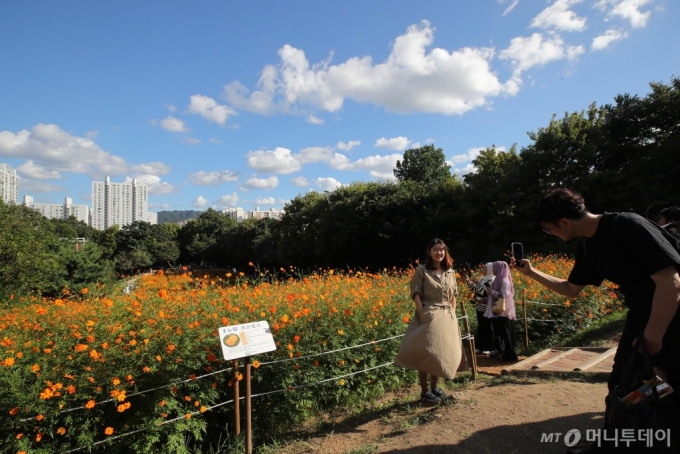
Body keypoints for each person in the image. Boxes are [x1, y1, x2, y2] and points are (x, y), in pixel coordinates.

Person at [513, 188, 680, 454]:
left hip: (673, 313)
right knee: (622, 385)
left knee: (669, 387)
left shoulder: (627, 225)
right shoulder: (589, 245)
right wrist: (531, 272)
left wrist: (653, 337)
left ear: (564, 223)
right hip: (641, 316)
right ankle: (610, 446)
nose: (551, 234)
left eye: (549, 229)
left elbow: (670, 282)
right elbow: (571, 289)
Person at [395, 238, 467, 404]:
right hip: (429, 314)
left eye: (442, 250)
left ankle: (434, 387)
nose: (439, 253)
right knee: (425, 352)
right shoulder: (422, 271)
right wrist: (423, 314)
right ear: (429, 252)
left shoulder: (450, 271)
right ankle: (424, 391)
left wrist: (453, 314)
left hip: (446, 316)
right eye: (435, 250)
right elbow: (416, 294)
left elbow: (453, 295)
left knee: (438, 353)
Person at [484, 261, 518, 361]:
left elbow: (503, 294)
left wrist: (491, 291)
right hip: (499, 311)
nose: (493, 269)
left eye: (494, 268)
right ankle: (502, 352)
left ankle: (509, 355)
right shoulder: (498, 279)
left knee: (505, 333)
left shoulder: (504, 281)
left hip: (503, 311)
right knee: (500, 332)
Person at [464, 263, 495, 354]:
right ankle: (480, 347)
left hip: (486, 307)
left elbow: (484, 293)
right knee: (481, 327)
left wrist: (476, 281)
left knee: (486, 327)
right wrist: (468, 281)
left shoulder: (492, 280)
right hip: (479, 306)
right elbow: (476, 290)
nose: (482, 269)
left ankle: (488, 348)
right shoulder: (482, 278)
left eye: (485, 268)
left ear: (489, 269)